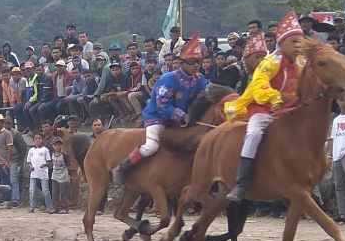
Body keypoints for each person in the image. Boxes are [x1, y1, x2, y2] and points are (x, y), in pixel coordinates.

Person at [223, 12, 305, 202]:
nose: (297, 46)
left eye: (300, 42)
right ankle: (242, 183)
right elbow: (260, 85)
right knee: (253, 133)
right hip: (265, 108)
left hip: (291, 109)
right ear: (282, 43)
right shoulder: (270, 62)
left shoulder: (302, 63)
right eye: (293, 41)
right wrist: (275, 98)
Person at [115, 33, 209, 181]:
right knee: (151, 147)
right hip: (157, 116)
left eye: (198, 61)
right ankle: (123, 167)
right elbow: (162, 106)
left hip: (184, 118)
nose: (196, 65)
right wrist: (183, 116)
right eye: (192, 62)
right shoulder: (168, 78)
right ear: (182, 62)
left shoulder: (200, 78)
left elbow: (207, 94)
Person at [26, 132, 52, 213]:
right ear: (33, 140)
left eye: (39, 138)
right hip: (34, 174)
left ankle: (49, 206)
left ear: (42, 140)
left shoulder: (45, 150)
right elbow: (29, 161)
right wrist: (30, 166)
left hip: (43, 173)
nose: (38, 140)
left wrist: (44, 164)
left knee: (45, 191)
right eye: (36, 139)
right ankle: (31, 206)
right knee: (32, 191)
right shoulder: (31, 150)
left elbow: (49, 161)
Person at [50, 138, 71, 214]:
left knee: (63, 193)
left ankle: (64, 208)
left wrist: (69, 175)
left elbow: (68, 165)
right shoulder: (52, 154)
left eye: (59, 145)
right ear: (53, 146)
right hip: (55, 176)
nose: (57, 146)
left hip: (63, 176)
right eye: (55, 145)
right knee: (54, 192)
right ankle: (55, 207)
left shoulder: (64, 155)